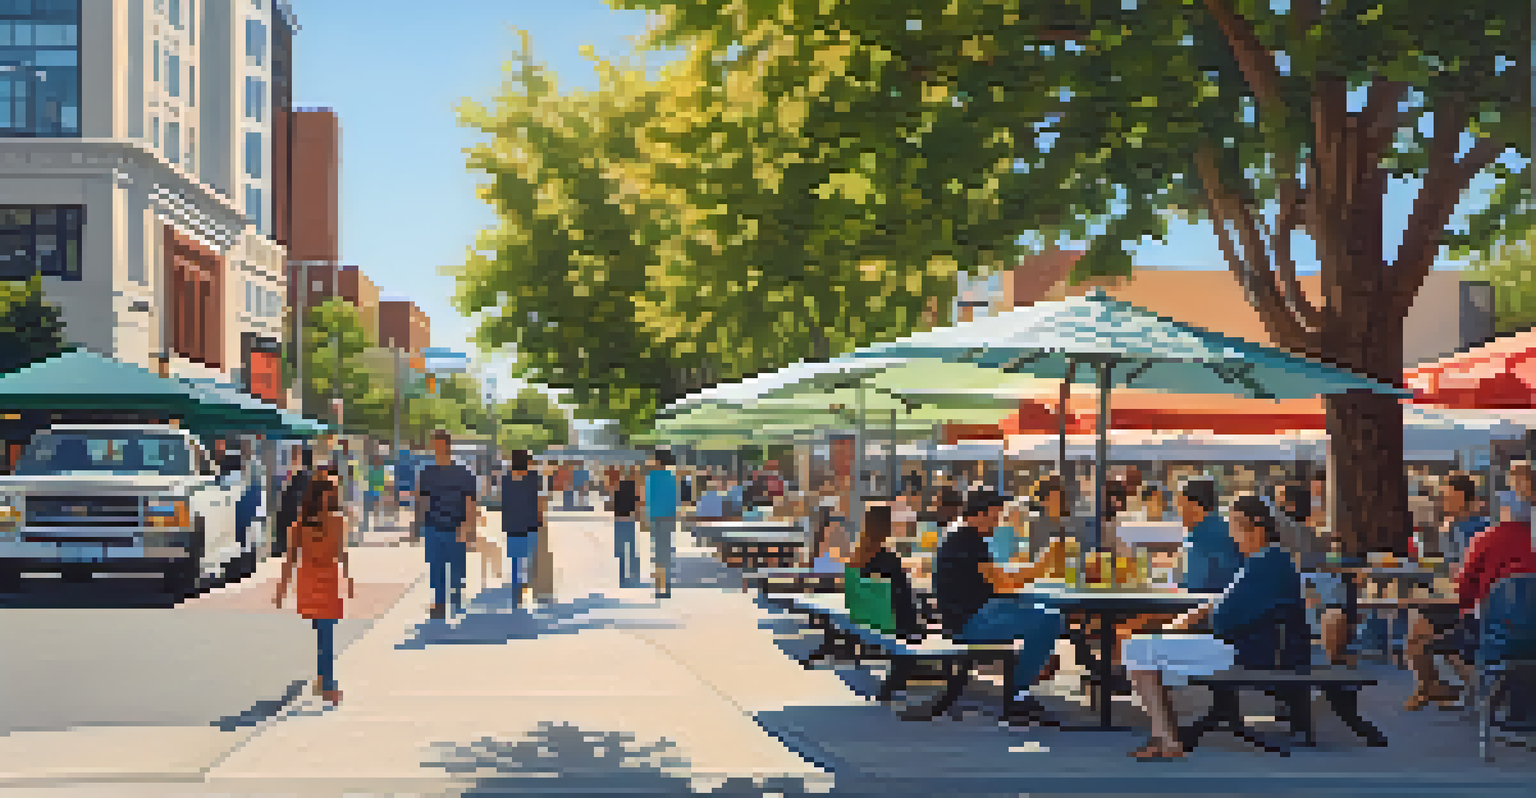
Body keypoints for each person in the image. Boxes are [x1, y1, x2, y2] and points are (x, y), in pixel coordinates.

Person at [1121, 494, 1305, 760]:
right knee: (1143, 648)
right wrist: (1199, 614)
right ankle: (1168, 737)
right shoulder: (1270, 560)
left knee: (1138, 649)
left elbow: (1226, 617)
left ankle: (1167, 740)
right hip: (1258, 648)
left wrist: (1192, 620)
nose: (1233, 537)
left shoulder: (1265, 564)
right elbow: (1234, 604)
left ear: (1254, 529)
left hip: (1251, 653)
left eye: (1234, 528)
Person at [934, 488, 1069, 726]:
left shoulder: (960, 534)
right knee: (1049, 619)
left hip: (969, 614)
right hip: (969, 623)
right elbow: (1004, 584)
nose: (997, 524)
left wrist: (1035, 569)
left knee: (1042, 611)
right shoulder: (969, 540)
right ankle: (1018, 694)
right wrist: (1043, 564)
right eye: (995, 517)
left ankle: (1022, 686)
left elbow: (997, 579)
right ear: (979, 514)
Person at [1401, 499, 1536, 710]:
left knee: (1421, 632)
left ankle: (1479, 691)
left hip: (1492, 627)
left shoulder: (1486, 539)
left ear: (1504, 511)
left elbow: (1465, 590)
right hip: (1528, 629)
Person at [273, 468, 354, 706]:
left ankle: (323, 679)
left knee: (324, 631)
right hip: (319, 581)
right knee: (325, 632)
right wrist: (281, 589)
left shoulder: (307, 523)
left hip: (316, 581)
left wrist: (347, 578)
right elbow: (291, 559)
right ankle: (327, 685)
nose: (334, 497)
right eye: (331, 493)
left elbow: (340, 553)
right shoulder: (325, 522)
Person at [414, 429, 479, 620]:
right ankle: (440, 603)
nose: (436, 449)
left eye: (439, 445)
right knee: (436, 567)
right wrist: (417, 525)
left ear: (448, 446)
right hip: (433, 526)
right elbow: (421, 500)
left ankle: (456, 599)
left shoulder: (464, 472)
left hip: (456, 527)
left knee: (457, 568)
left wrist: (469, 529)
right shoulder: (426, 472)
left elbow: (471, 502)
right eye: (433, 445)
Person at [844, 504, 922, 639]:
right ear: (887, 529)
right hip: (891, 632)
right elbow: (905, 605)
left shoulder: (854, 560)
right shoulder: (891, 562)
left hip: (863, 628)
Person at [1177, 478, 1242, 593]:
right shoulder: (1223, 528)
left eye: (1183, 508)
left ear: (1195, 508)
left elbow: (1195, 586)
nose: (1180, 515)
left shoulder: (1202, 537)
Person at [500, 449, 546, 607]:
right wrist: (541, 519)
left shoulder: (505, 479)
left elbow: (503, 501)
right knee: (529, 559)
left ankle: (516, 592)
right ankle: (524, 585)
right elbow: (540, 500)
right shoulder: (534, 478)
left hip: (512, 524)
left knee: (515, 561)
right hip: (531, 524)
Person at [644, 450, 680, 599]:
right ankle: (666, 585)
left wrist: (645, 519)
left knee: (658, 552)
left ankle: (660, 586)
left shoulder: (651, 478)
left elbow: (648, 500)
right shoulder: (671, 478)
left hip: (655, 518)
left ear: (658, 461)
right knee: (666, 552)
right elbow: (674, 500)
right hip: (668, 518)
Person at [1437, 473, 1491, 563]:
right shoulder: (1449, 526)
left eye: (1447, 498)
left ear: (1460, 497)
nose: (1442, 502)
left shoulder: (1485, 527)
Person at [613, 465, 641, 587]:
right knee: (631, 550)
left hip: (619, 520)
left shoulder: (618, 486)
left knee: (622, 552)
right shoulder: (634, 487)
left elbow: (614, 504)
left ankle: (622, 578)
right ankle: (634, 576)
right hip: (629, 520)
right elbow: (637, 503)